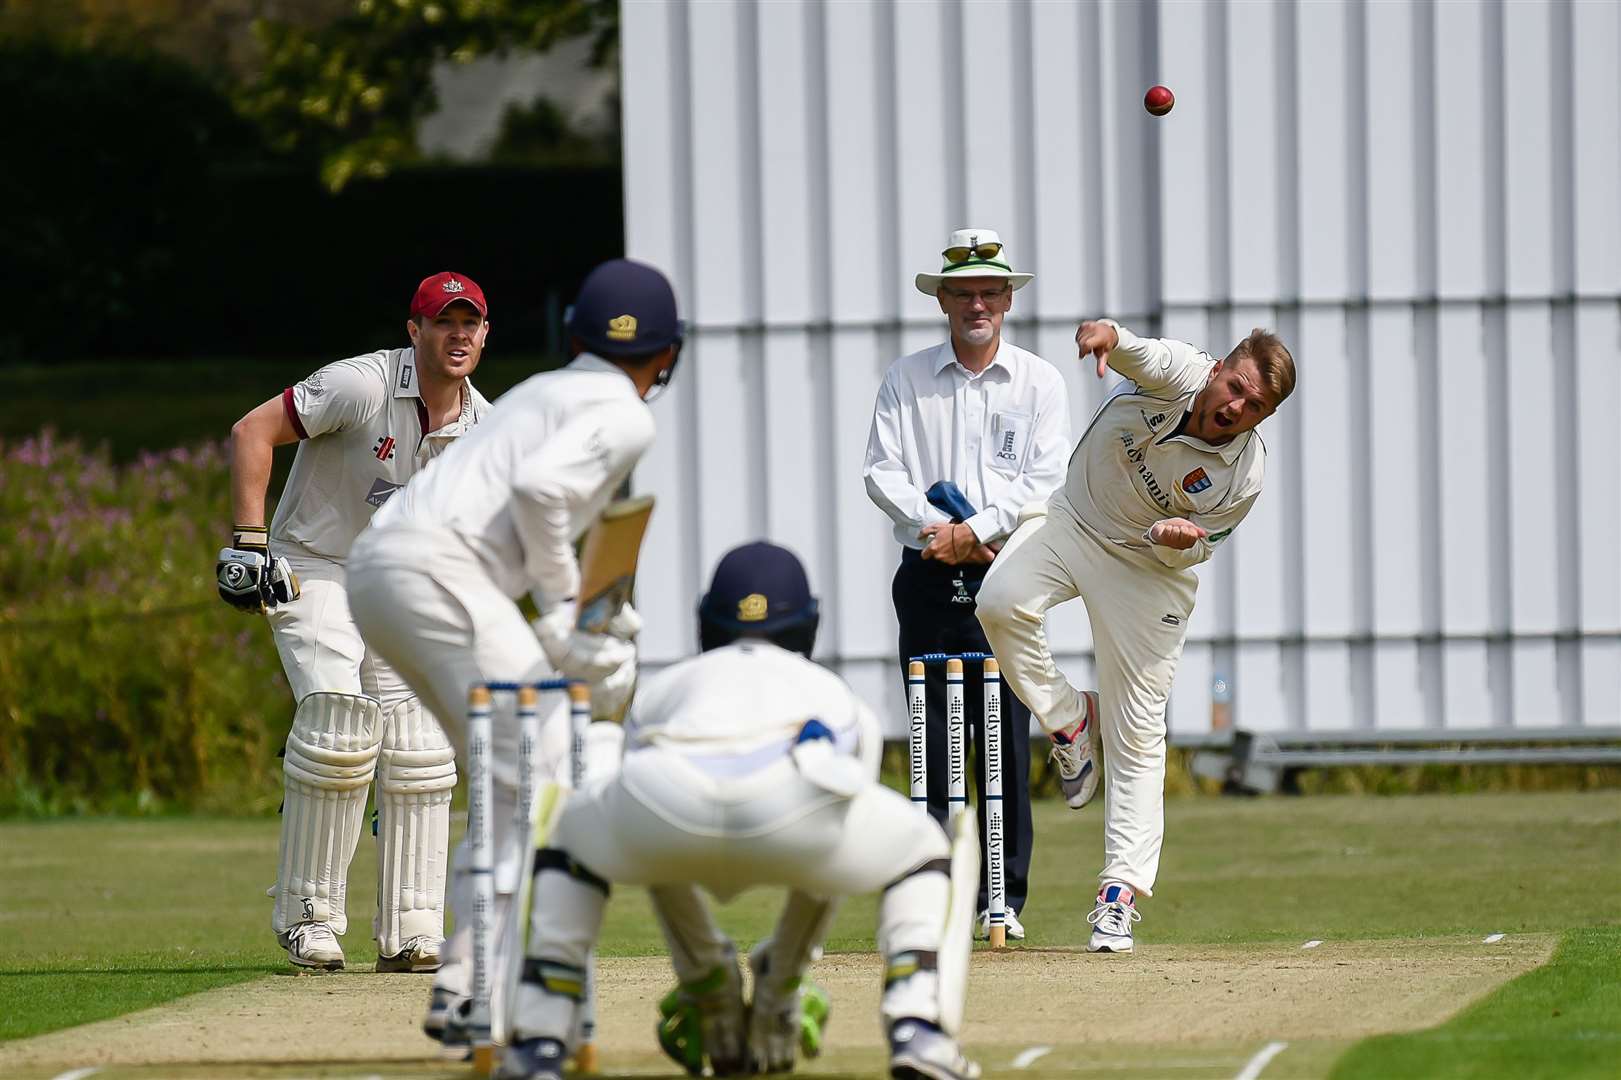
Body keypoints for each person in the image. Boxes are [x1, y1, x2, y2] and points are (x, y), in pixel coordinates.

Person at [345, 258, 683, 1045]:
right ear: (666, 352)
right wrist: (565, 611)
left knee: (507, 774)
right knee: (543, 757)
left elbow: (547, 511)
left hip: (380, 571)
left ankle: (464, 982)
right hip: (438, 572)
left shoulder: (542, 390)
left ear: (577, 337)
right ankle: (484, 991)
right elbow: (541, 493)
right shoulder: (628, 414)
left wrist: (588, 609)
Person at [498, 542, 982, 1080]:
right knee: (932, 846)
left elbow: (654, 841)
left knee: (566, 835)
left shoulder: (669, 685)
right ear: (808, 625)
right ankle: (919, 1028)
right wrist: (780, 989)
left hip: (663, 795)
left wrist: (704, 973)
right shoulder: (831, 691)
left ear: (708, 622)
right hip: (797, 798)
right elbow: (829, 859)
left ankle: (539, 1040)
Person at [975, 318, 1296, 953]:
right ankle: (1068, 718)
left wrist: (1180, 544)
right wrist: (1109, 339)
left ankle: (1118, 895)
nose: (1234, 407)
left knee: (1138, 728)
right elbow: (1141, 355)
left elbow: (1197, 550)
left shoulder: (1245, 475)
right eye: (1234, 386)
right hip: (1076, 519)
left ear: (1266, 414)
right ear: (1219, 370)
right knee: (999, 601)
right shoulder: (1182, 371)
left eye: (1254, 405)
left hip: (1150, 571)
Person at [217, 272, 493, 972]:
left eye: (470, 324)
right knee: (340, 723)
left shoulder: (482, 427)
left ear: (485, 335)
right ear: (415, 331)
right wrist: (250, 541)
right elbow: (252, 430)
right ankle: (309, 920)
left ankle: (411, 930)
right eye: (443, 322)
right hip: (313, 565)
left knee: (420, 746)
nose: (457, 335)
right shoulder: (361, 385)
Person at [863, 228, 1070, 940]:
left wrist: (976, 529)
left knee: (1004, 738)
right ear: (943, 298)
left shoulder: (1039, 381)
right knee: (932, 736)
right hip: (927, 570)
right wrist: (938, 531)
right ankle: (934, 892)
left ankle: (1002, 901)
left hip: (1007, 576)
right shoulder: (906, 377)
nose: (975, 303)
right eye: (963, 292)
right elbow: (880, 473)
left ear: (1007, 298)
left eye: (988, 291)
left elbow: (1045, 481)